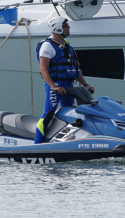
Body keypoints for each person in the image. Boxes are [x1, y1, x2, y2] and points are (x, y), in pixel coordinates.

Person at [33, 15, 93, 144]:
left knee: (70, 113)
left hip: (68, 86)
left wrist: (86, 85)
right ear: (58, 28)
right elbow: (43, 69)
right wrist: (53, 86)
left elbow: (75, 69)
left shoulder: (67, 46)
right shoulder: (47, 46)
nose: (69, 28)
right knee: (48, 114)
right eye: (66, 26)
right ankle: (37, 143)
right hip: (55, 85)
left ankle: (66, 141)